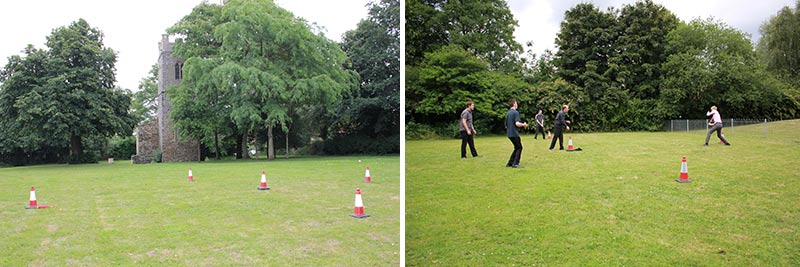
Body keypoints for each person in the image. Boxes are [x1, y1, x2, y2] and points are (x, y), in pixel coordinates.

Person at [505, 99, 528, 168]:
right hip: (514, 133)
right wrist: (523, 125)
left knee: (516, 147)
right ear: (514, 104)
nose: (517, 104)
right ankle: (515, 163)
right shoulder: (515, 112)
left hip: (509, 133)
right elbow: (517, 123)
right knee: (519, 147)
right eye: (516, 103)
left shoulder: (508, 113)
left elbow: (506, 124)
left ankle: (510, 163)